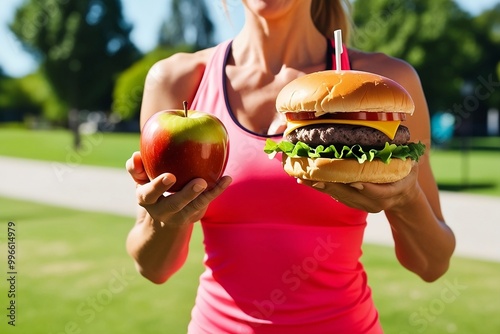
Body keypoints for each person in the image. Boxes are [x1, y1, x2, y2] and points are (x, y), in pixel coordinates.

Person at [125, 1, 456, 333]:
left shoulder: (385, 83)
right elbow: (154, 268)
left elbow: (432, 264)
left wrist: (405, 199)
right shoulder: (176, 79)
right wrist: (166, 220)